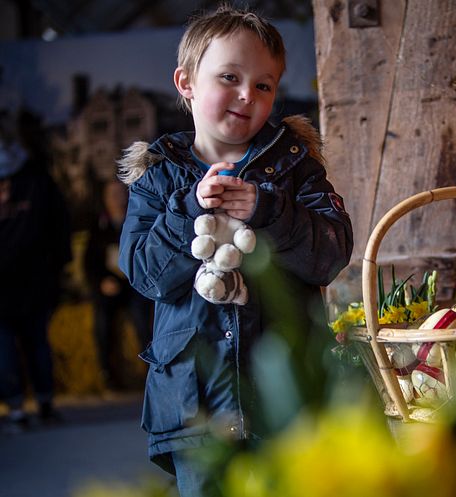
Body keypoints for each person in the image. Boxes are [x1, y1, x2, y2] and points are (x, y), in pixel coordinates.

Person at [117, 6, 353, 496]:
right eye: (230, 76)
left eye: (264, 85)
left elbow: (330, 253)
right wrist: (187, 210)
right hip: (194, 405)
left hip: (286, 393)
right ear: (186, 83)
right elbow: (144, 273)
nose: (248, 94)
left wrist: (269, 211)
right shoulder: (158, 178)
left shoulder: (295, 167)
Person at [0, 110, 71, 431]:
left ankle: (22, 408)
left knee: (18, 344)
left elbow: (58, 225)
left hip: (30, 278)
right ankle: (41, 404)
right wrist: (59, 266)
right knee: (29, 343)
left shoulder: (37, 180)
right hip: (33, 277)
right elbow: (60, 226)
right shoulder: (38, 177)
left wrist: (57, 266)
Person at [84, 180, 152, 390]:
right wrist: (102, 281)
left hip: (135, 285)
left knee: (143, 320)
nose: (116, 199)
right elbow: (89, 263)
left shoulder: (139, 220)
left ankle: (152, 371)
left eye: (120, 193)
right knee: (102, 323)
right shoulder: (98, 226)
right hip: (110, 286)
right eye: (111, 194)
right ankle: (108, 375)